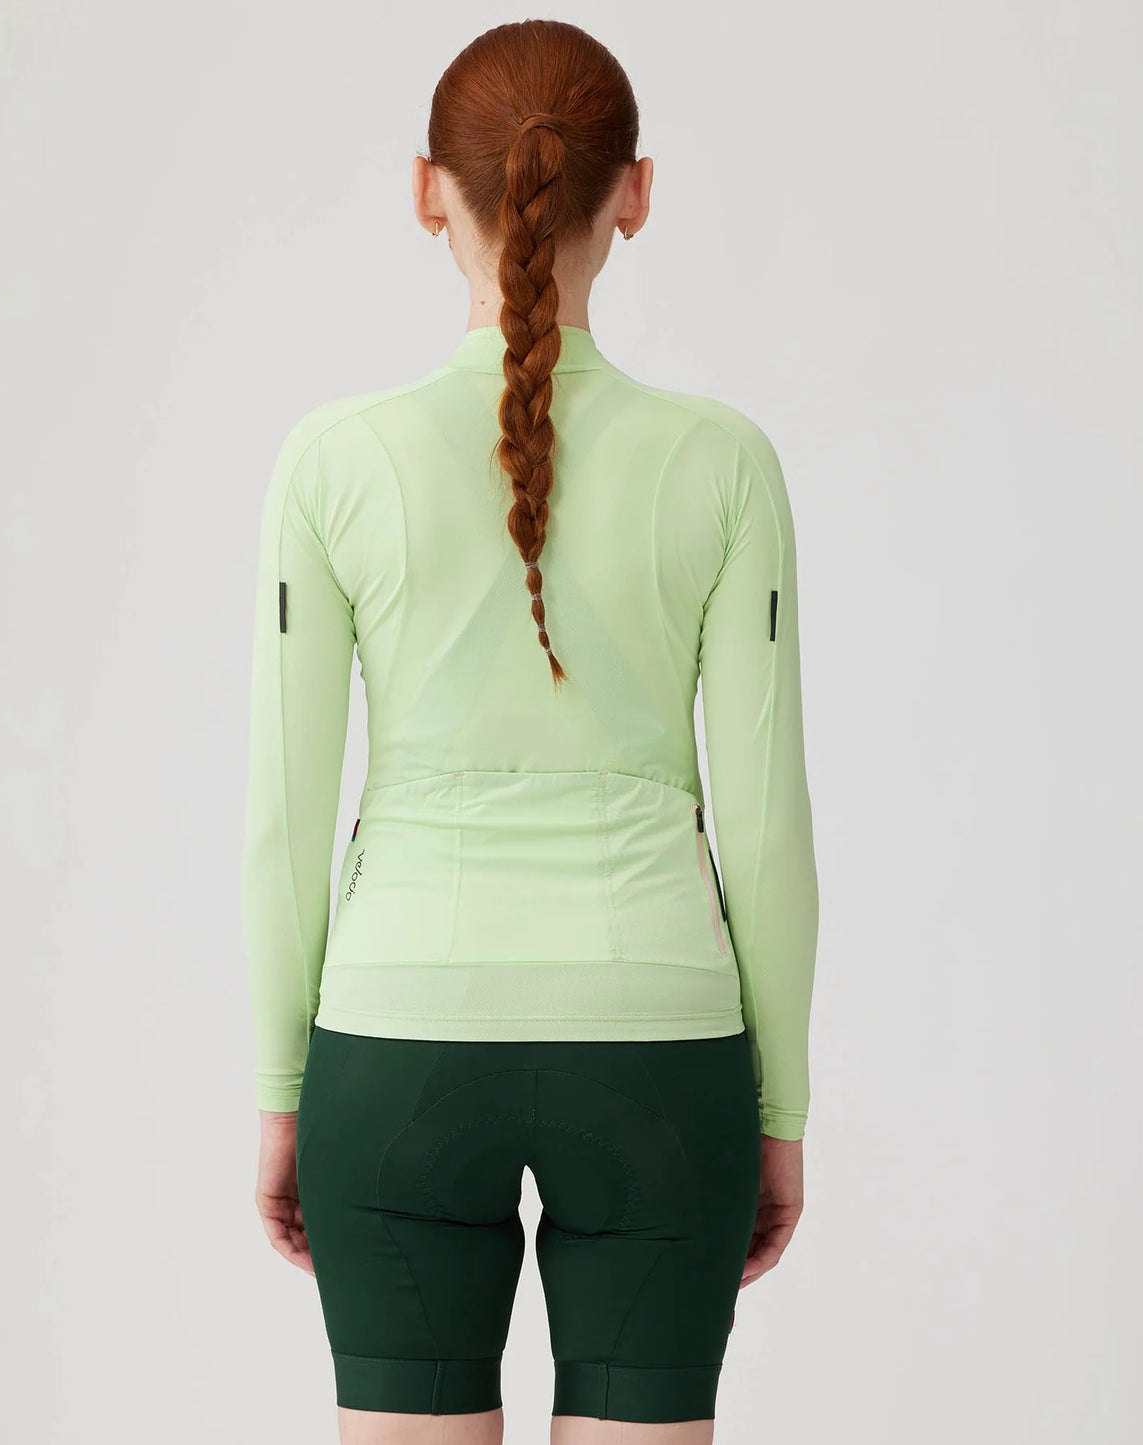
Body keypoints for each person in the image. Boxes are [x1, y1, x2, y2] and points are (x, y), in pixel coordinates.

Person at [241, 19, 820, 1445]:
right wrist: (779, 1109)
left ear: (426, 190)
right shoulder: (723, 464)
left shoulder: (332, 462)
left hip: (394, 1049)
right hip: (661, 1056)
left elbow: (283, 821)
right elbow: (764, 827)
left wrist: (281, 1096)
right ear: (635, 192)